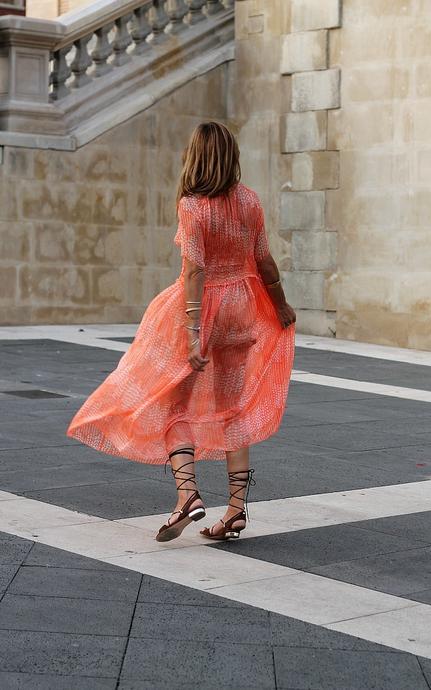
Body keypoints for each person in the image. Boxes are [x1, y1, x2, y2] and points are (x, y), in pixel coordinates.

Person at [67, 121, 296, 543]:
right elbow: (264, 261)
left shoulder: (193, 205)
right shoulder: (250, 201)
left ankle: (187, 495)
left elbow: (195, 269)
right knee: (233, 409)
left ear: (197, 156)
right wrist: (280, 305)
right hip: (241, 308)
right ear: (231, 155)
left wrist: (192, 331)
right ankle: (235, 511)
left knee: (174, 403)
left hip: (203, 308)